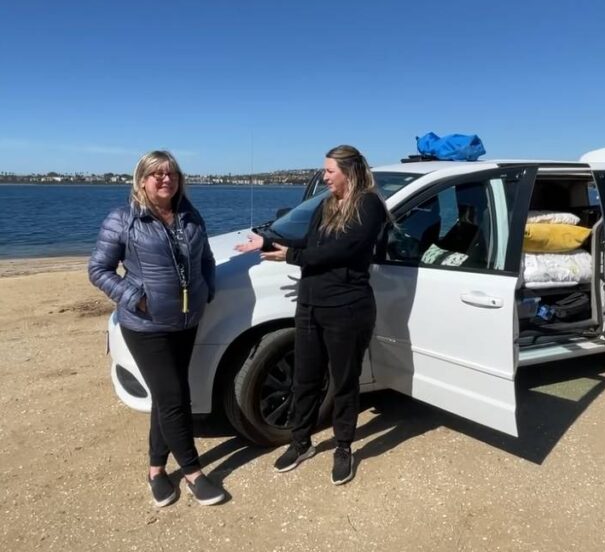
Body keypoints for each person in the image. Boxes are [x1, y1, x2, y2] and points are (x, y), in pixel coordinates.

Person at [234, 144, 387, 485]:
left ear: (349, 171)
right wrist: (267, 243)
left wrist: (290, 256)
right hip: (310, 305)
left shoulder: (369, 204)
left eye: (330, 171)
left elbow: (339, 250)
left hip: (347, 308)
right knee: (305, 378)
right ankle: (301, 442)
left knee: (345, 382)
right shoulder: (327, 204)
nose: (324, 176)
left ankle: (343, 447)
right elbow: (309, 240)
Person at [88, 150, 223, 507]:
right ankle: (193, 472)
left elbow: (206, 258)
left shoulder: (190, 216)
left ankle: (155, 469)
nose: (166, 179)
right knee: (175, 398)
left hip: (186, 321)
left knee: (167, 398)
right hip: (146, 325)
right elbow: (99, 269)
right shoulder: (122, 219)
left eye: (172, 174)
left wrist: (207, 288)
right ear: (142, 180)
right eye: (157, 174)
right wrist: (136, 298)